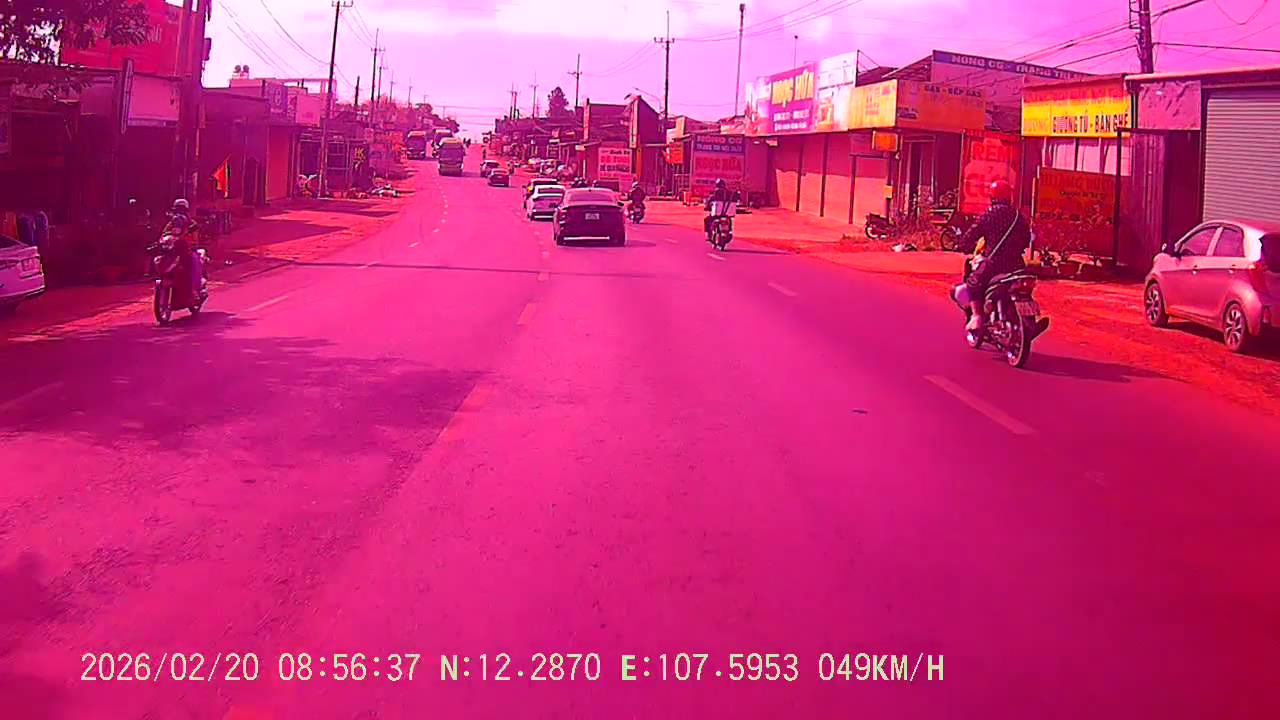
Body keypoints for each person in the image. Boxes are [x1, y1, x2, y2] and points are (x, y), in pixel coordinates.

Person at [957, 179, 1031, 332]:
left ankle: (976, 316)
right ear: (1009, 196)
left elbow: (971, 234)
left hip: (994, 264)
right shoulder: (1018, 216)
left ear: (992, 196)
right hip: (1017, 265)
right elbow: (1026, 240)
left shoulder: (989, 215)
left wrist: (962, 245)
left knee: (973, 282)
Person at [164, 198, 204, 298]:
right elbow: (164, 234)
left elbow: (195, 239)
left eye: (181, 209)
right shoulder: (172, 223)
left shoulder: (192, 224)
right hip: (173, 251)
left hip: (188, 251)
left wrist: (190, 242)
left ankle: (195, 289)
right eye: (177, 209)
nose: (179, 212)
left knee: (194, 261)